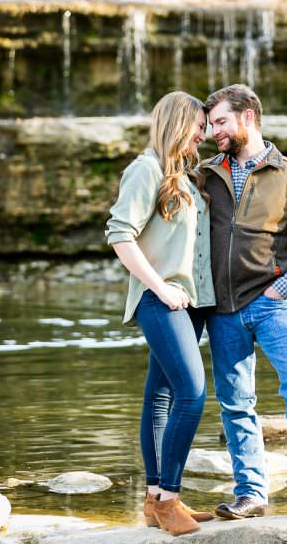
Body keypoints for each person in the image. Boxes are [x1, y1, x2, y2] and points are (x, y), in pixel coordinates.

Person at [198, 84, 287, 522]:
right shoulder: (204, 174)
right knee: (236, 403)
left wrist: (285, 286)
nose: (213, 132)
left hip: (274, 303)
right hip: (222, 310)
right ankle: (251, 494)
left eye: (220, 122)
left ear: (248, 118)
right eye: (210, 124)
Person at [105, 91, 216, 536]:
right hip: (161, 302)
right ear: (178, 123)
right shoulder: (145, 169)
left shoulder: (182, 176)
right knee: (192, 394)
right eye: (199, 127)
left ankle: (155, 500)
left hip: (189, 305)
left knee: (161, 398)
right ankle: (169, 498)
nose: (204, 136)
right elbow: (120, 235)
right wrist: (161, 287)